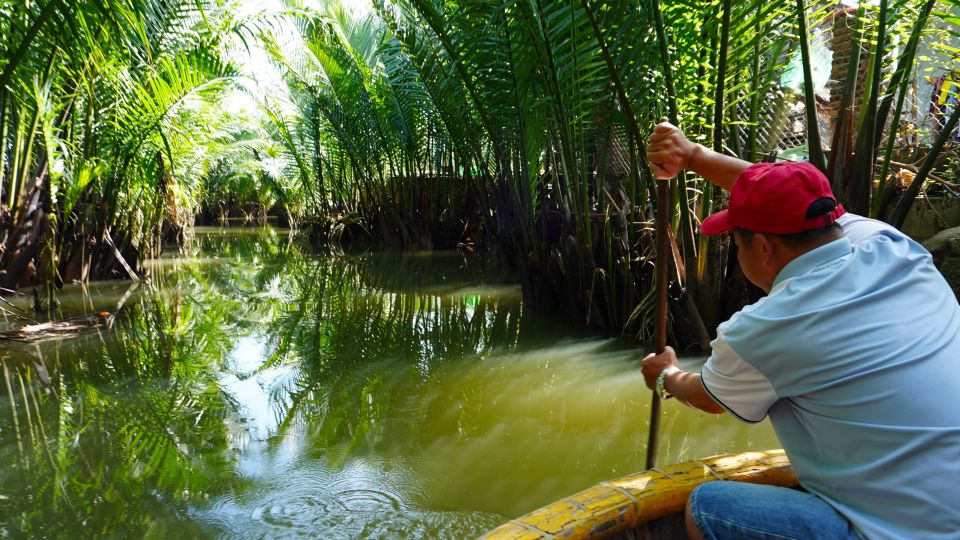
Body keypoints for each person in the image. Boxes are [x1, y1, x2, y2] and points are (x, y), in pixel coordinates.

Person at [642, 122, 960, 540]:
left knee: (710, 508)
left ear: (764, 248)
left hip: (909, 533)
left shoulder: (766, 327)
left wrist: (665, 375)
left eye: (737, 243)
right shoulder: (889, 244)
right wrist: (694, 156)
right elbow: (784, 196)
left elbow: (709, 398)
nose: (738, 254)